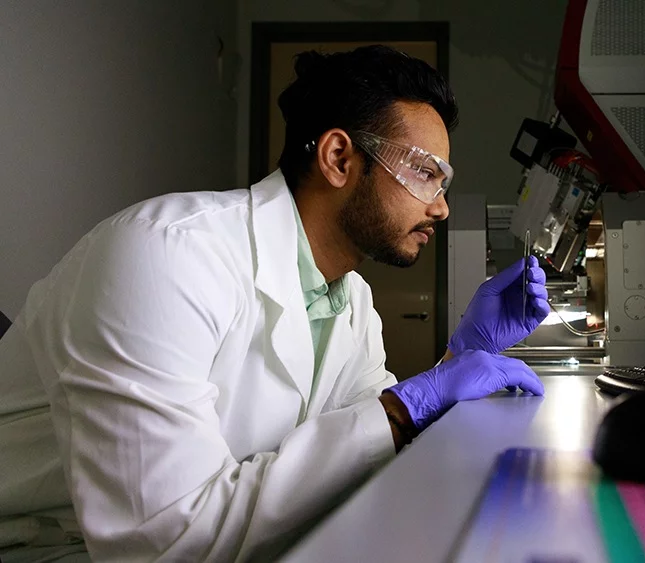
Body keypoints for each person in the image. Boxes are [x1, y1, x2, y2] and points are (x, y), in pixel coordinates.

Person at [0, 45, 550, 562]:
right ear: (339, 158)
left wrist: (455, 362)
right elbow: (162, 542)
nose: (442, 209)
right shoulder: (166, 254)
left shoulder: (350, 300)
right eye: (426, 174)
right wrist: (410, 405)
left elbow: (370, 446)